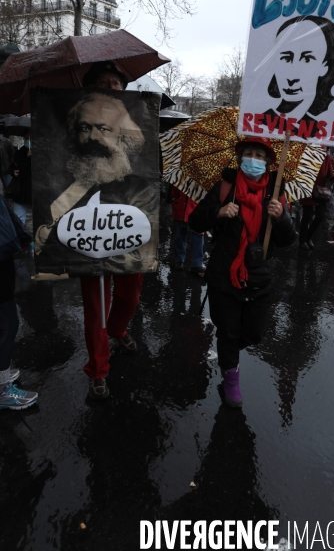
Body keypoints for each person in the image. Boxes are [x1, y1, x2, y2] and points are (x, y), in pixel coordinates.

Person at [36, 61, 155, 400]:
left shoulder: (139, 177)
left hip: (132, 243)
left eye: (103, 128)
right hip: (89, 248)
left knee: (130, 297)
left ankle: (119, 329)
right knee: (95, 309)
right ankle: (98, 369)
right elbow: (47, 227)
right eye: (85, 128)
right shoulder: (65, 184)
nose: (93, 137)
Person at [189, 136, 296, 408]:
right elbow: (194, 221)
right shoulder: (225, 187)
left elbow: (287, 241)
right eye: (248, 154)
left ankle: (229, 349)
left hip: (259, 278)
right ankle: (231, 379)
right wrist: (219, 211)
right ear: (240, 159)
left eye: (260, 156)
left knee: (254, 333)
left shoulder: (276, 194)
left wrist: (281, 217)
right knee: (228, 331)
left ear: (269, 163)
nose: (254, 160)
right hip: (223, 275)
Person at [260, 16, 334, 138]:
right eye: (286, 58)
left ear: (325, 66)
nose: (292, 75)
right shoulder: (259, 125)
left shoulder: (320, 135)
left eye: (307, 59)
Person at [0, 195, 38, 409]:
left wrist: (25, 238)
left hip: (4, 256)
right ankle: (2, 390)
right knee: (7, 325)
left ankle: (1, 373)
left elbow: (4, 211)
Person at [299, 153, 334, 249]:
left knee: (320, 215)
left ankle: (308, 236)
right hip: (308, 190)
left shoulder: (326, 157)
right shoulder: (306, 154)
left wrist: (332, 176)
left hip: (320, 192)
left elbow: (329, 174)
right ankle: (302, 240)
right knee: (307, 216)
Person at [170, 186, 205, 275]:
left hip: (196, 209)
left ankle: (195, 263)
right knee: (180, 235)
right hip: (181, 208)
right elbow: (174, 191)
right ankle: (180, 260)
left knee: (197, 236)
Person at [8, 131, 32, 224]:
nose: (28, 141)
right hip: (21, 190)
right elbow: (13, 166)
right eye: (27, 139)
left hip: (35, 190)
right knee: (19, 218)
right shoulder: (19, 153)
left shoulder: (42, 152)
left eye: (30, 139)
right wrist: (12, 171)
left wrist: (31, 159)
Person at [0, 125, 15, 191]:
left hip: (5, 169)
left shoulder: (7, 142)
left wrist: (10, 165)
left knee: (8, 187)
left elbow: (12, 155)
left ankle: (8, 199)